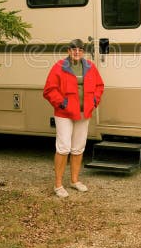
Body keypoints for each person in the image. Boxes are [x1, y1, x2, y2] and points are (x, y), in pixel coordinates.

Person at [43, 38, 104, 198]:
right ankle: (58, 185)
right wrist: (63, 104)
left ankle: (74, 181)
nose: (77, 52)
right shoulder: (59, 67)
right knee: (63, 147)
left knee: (78, 147)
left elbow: (99, 86)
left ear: (83, 52)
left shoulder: (90, 66)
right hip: (64, 114)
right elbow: (49, 90)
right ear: (68, 51)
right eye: (74, 49)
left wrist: (94, 101)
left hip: (84, 113)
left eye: (80, 50)